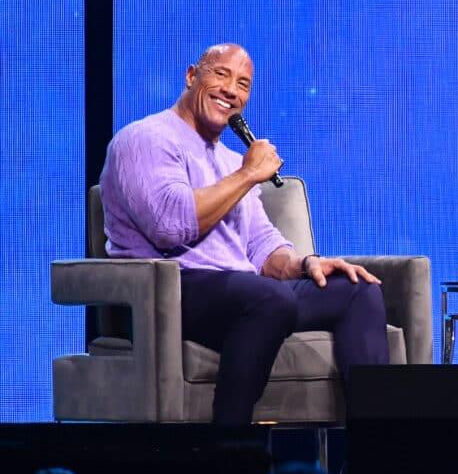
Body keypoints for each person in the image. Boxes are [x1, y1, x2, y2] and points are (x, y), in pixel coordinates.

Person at [100, 43, 389, 424]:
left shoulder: (232, 161)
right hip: (169, 293)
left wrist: (306, 263)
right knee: (267, 298)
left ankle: (375, 455)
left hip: (245, 294)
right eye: (220, 75)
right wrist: (248, 175)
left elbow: (262, 248)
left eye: (243, 84)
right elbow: (170, 226)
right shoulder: (144, 140)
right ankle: (227, 451)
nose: (231, 91)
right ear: (191, 77)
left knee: (357, 289)